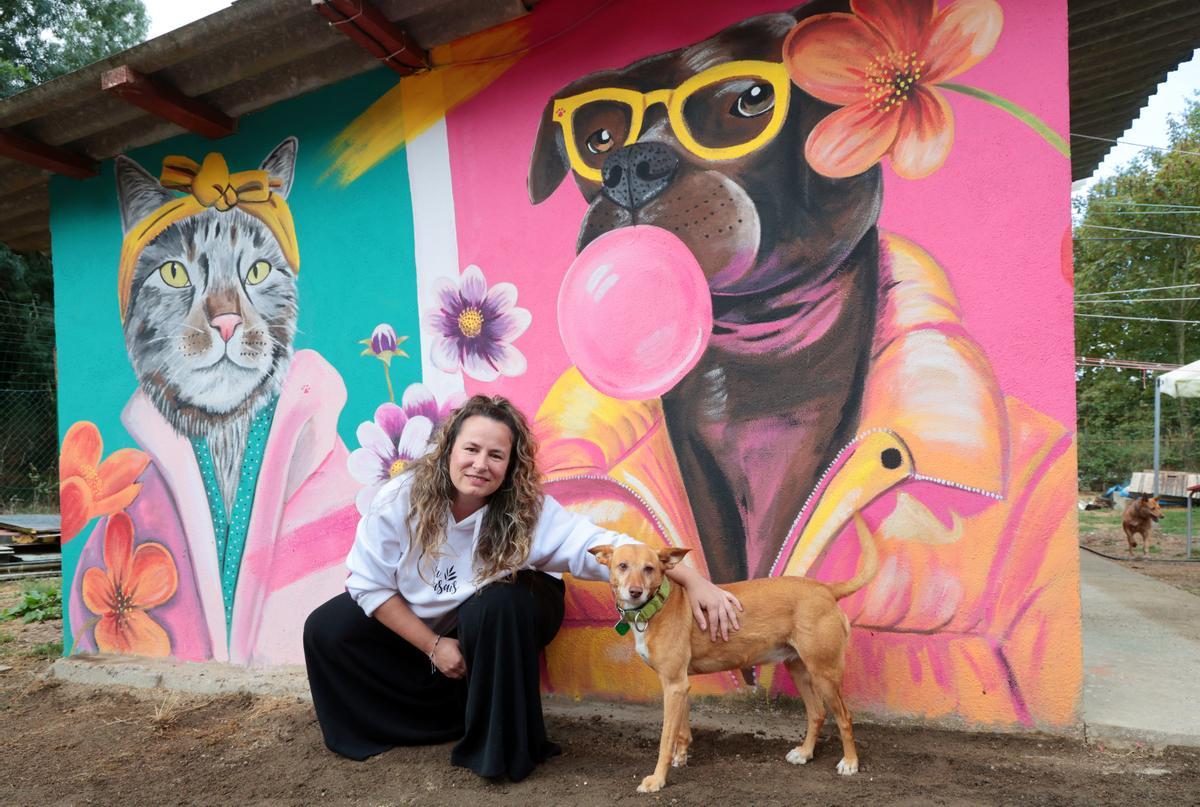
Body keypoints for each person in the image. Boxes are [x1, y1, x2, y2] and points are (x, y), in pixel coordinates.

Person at [303, 394, 742, 781]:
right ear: (448, 450)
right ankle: (399, 726)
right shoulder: (400, 499)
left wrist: (696, 581)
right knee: (327, 627)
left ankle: (498, 748)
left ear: (511, 465)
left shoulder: (528, 510)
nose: (480, 464)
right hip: (429, 621)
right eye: (471, 449)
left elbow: (607, 547)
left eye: (496, 455)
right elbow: (369, 585)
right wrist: (434, 646)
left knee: (496, 606)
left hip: (509, 608)